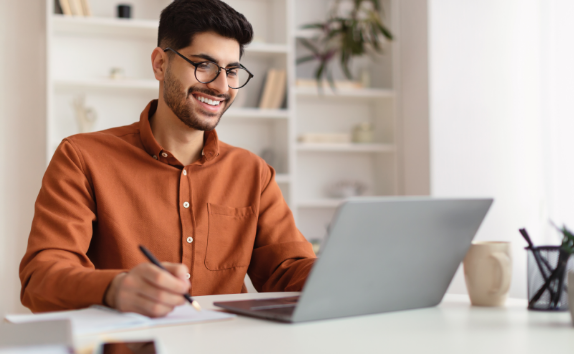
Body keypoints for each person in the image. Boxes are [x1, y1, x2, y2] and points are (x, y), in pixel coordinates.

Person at [19, 0, 316, 317]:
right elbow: (41, 279)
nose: (221, 86)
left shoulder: (253, 172)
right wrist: (115, 288)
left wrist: (347, 273)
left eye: (232, 71)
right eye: (204, 65)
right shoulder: (82, 157)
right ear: (160, 64)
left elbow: (286, 270)